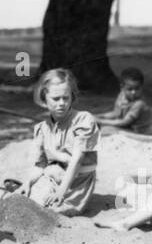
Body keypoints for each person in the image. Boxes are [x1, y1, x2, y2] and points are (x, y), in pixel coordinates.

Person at [17, 69, 100, 216]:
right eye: (55, 99)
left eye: (65, 98)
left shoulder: (83, 120)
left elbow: (77, 159)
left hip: (76, 182)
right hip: (52, 175)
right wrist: (28, 182)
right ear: (44, 99)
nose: (61, 103)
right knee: (24, 201)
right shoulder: (42, 129)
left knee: (51, 211)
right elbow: (40, 166)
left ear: (72, 97)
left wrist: (61, 191)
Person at [96, 67, 151, 132]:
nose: (133, 92)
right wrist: (98, 116)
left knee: (106, 129)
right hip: (126, 127)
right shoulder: (122, 96)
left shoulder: (139, 104)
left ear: (141, 87)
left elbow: (124, 122)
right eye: (130, 89)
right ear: (122, 88)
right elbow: (115, 113)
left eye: (137, 88)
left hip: (138, 130)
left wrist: (100, 121)